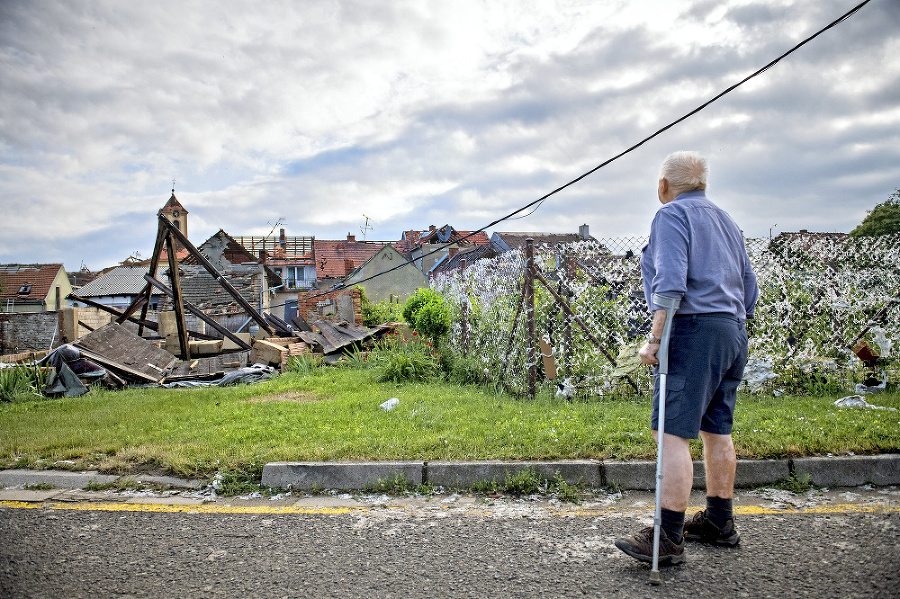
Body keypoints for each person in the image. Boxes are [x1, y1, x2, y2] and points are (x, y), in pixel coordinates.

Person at [615, 151, 759, 566]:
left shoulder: (671, 216)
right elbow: (749, 289)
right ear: (703, 184)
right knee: (717, 428)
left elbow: (670, 282)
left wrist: (655, 339)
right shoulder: (728, 221)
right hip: (732, 329)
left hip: (694, 331)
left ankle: (668, 537)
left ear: (663, 186)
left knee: (672, 432)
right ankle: (719, 522)